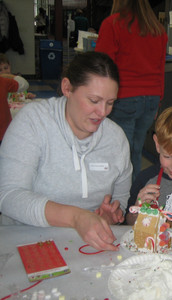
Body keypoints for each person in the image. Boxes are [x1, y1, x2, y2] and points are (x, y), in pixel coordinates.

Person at [0, 52, 133, 251]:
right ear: (67, 88)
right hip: (25, 241)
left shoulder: (116, 138)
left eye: (110, 102)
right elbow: (8, 195)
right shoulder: (33, 122)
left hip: (87, 248)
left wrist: (111, 216)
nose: (103, 112)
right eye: (94, 101)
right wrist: (76, 217)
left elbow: (120, 199)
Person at [95, 0, 168, 182]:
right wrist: (158, 101)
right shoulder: (158, 30)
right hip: (151, 98)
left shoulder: (112, 24)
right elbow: (160, 69)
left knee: (118, 152)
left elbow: (101, 67)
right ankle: (133, 195)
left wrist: (98, 101)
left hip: (124, 97)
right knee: (135, 151)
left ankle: (118, 200)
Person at [0, 74, 29, 144]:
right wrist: (10, 76)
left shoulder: (3, 81)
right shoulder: (3, 81)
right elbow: (24, 84)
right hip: (4, 134)